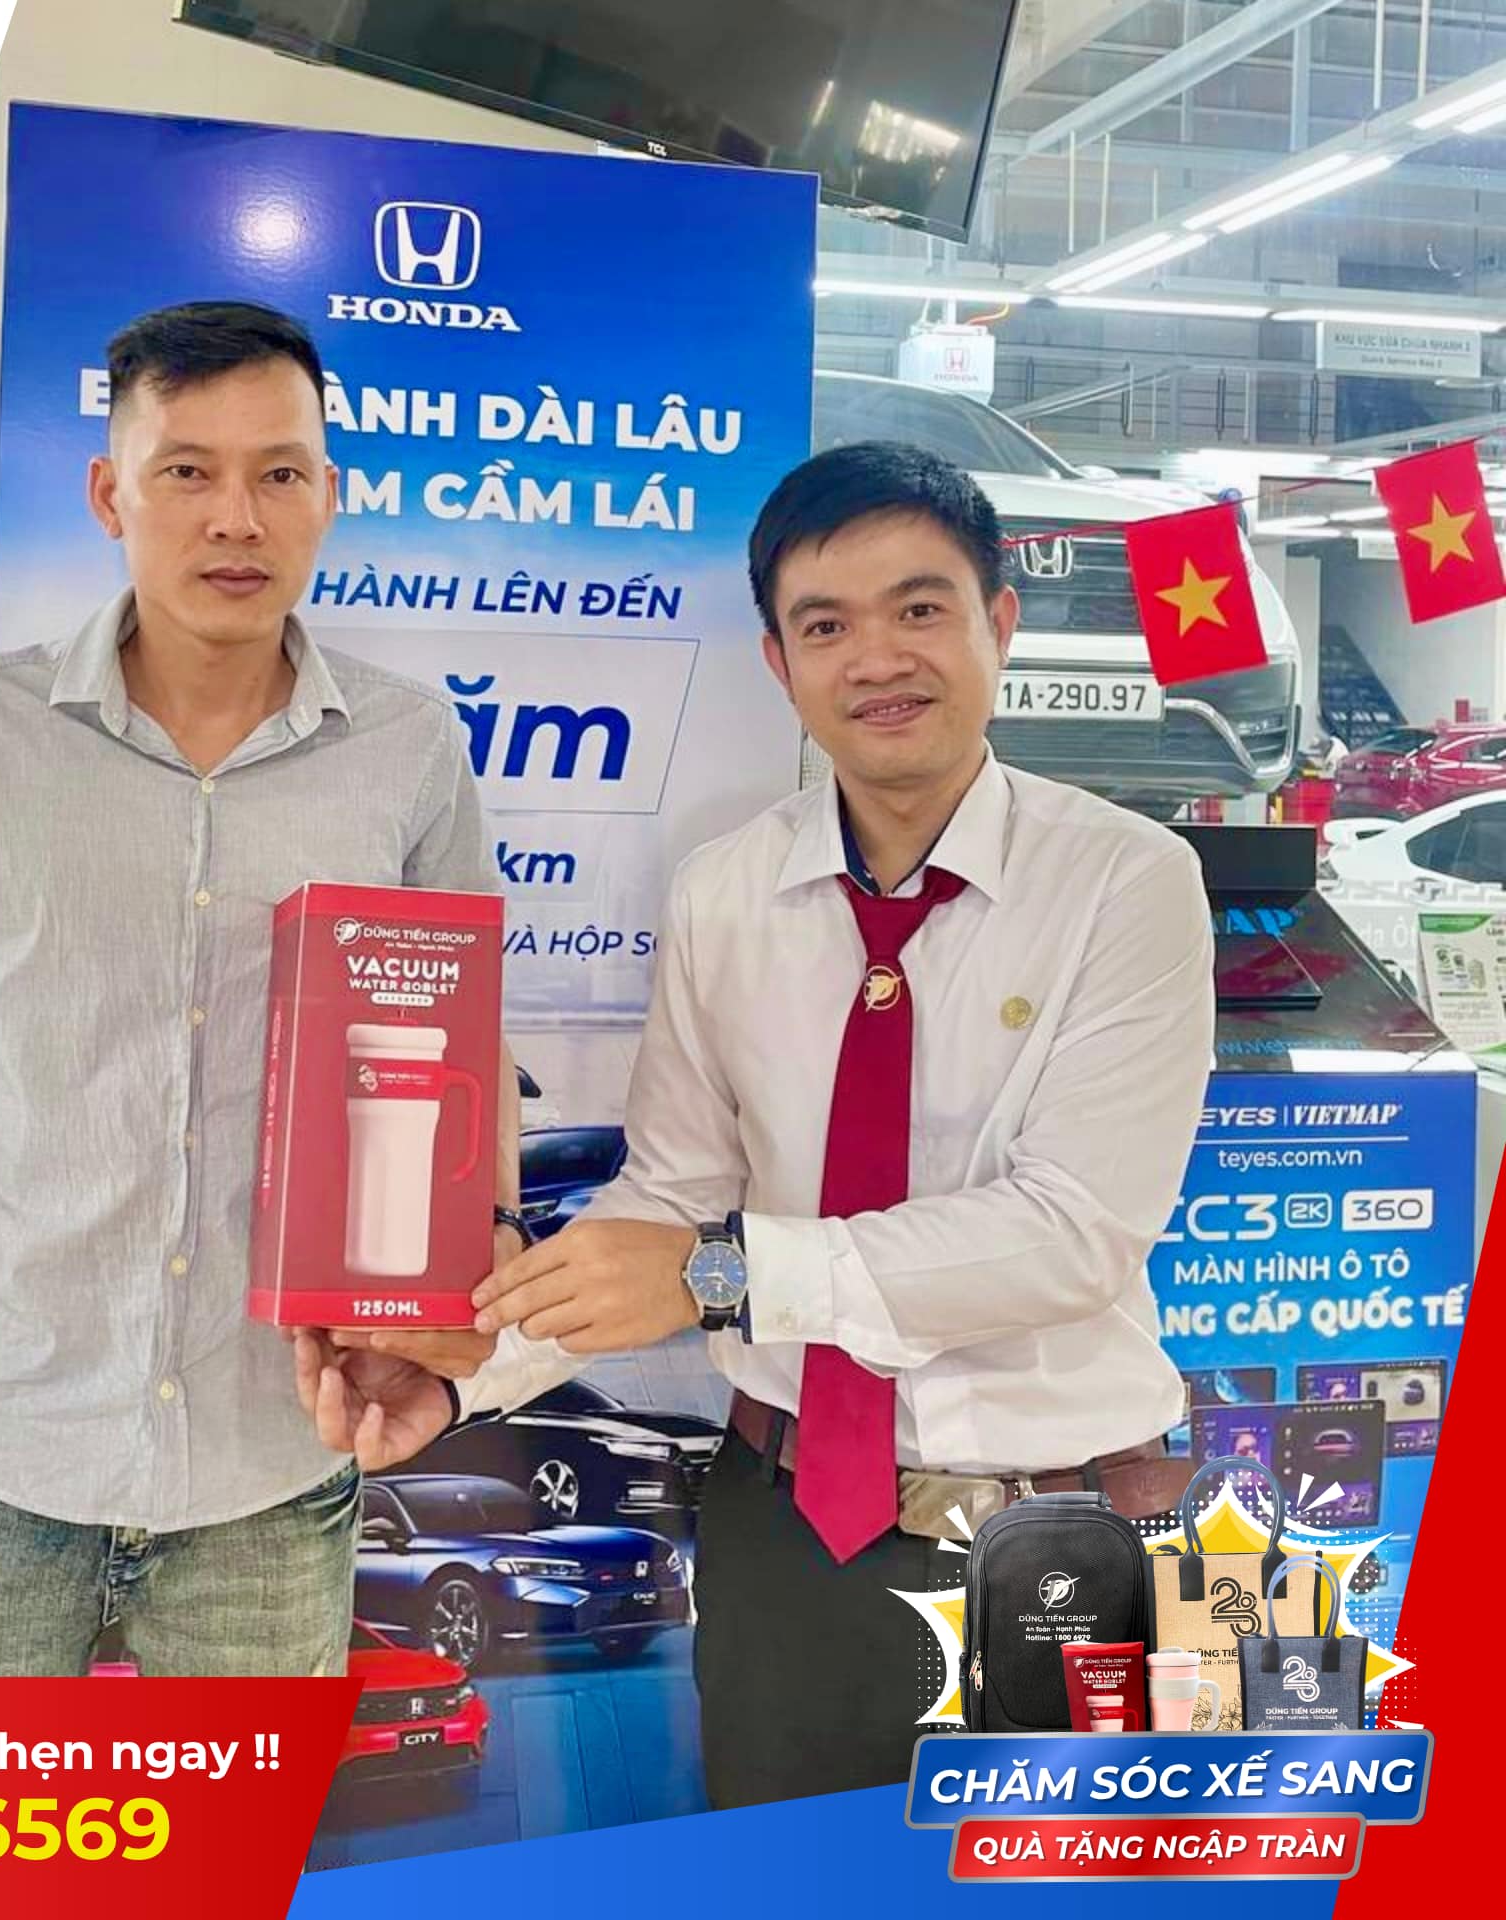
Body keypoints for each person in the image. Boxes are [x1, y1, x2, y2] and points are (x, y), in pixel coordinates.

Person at [312, 442, 1214, 1803]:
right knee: (774, 1877)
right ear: (780, 664)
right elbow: (665, 1205)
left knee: (1050, 1896)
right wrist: (458, 1377)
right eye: (826, 626)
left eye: (920, 609)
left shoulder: (1126, 881)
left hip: (1058, 1538)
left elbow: (1071, 1233)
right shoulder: (726, 890)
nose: (878, 658)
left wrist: (725, 1274)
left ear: (999, 622)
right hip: (783, 1537)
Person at [0, 300, 512, 1677]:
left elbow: (454, 1062)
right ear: (112, 494)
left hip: (271, 1473)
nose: (237, 517)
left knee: (242, 1828)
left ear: (330, 497)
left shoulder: (409, 750)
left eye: (280, 473)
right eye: (187, 471)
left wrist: (456, 1303)